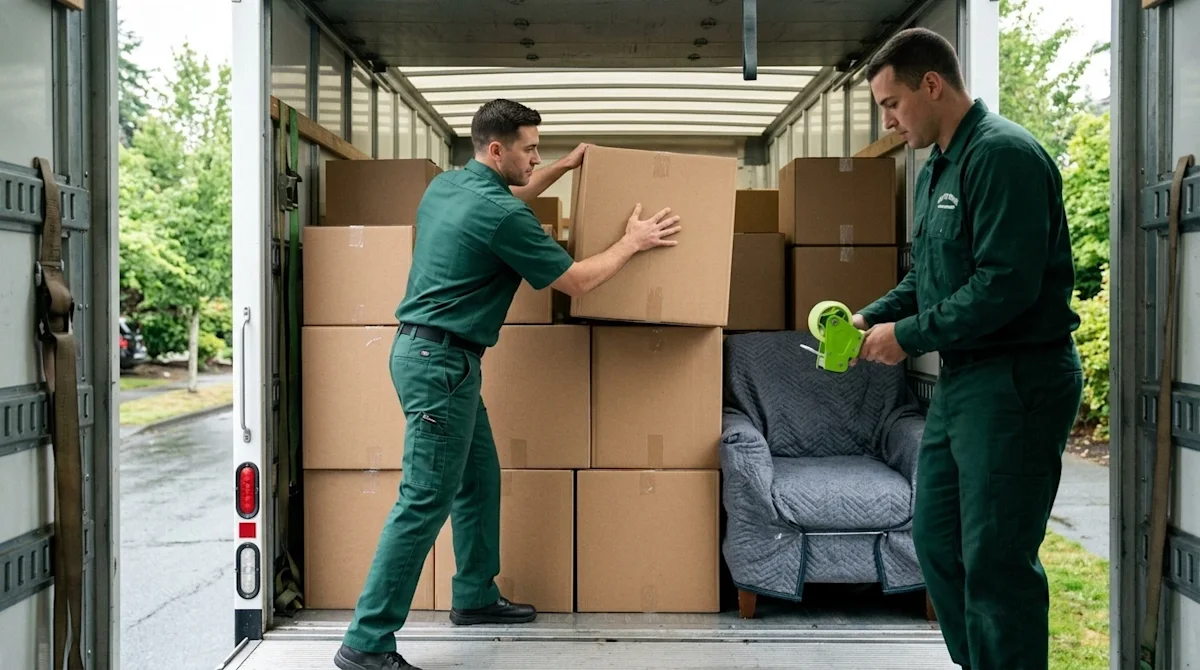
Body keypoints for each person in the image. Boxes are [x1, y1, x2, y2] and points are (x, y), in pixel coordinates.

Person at [333, 99, 682, 670]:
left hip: (436, 358)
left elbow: (509, 196)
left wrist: (562, 168)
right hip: (441, 365)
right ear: (497, 149)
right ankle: (366, 642)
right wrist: (633, 242)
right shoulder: (505, 218)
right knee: (424, 499)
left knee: (479, 476)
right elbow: (577, 282)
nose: (535, 156)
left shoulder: (448, 188)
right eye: (530, 149)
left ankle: (472, 596)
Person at [852, 28, 1083, 670]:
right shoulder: (936, 168)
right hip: (963, 382)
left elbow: (1004, 285)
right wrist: (874, 314)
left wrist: (908, 338)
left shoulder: (1003, 155)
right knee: (938, 540)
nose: (889, 120)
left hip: (1017, 378)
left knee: (996, 558)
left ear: (933, 84)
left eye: (892, 103)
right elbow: (929, 274)